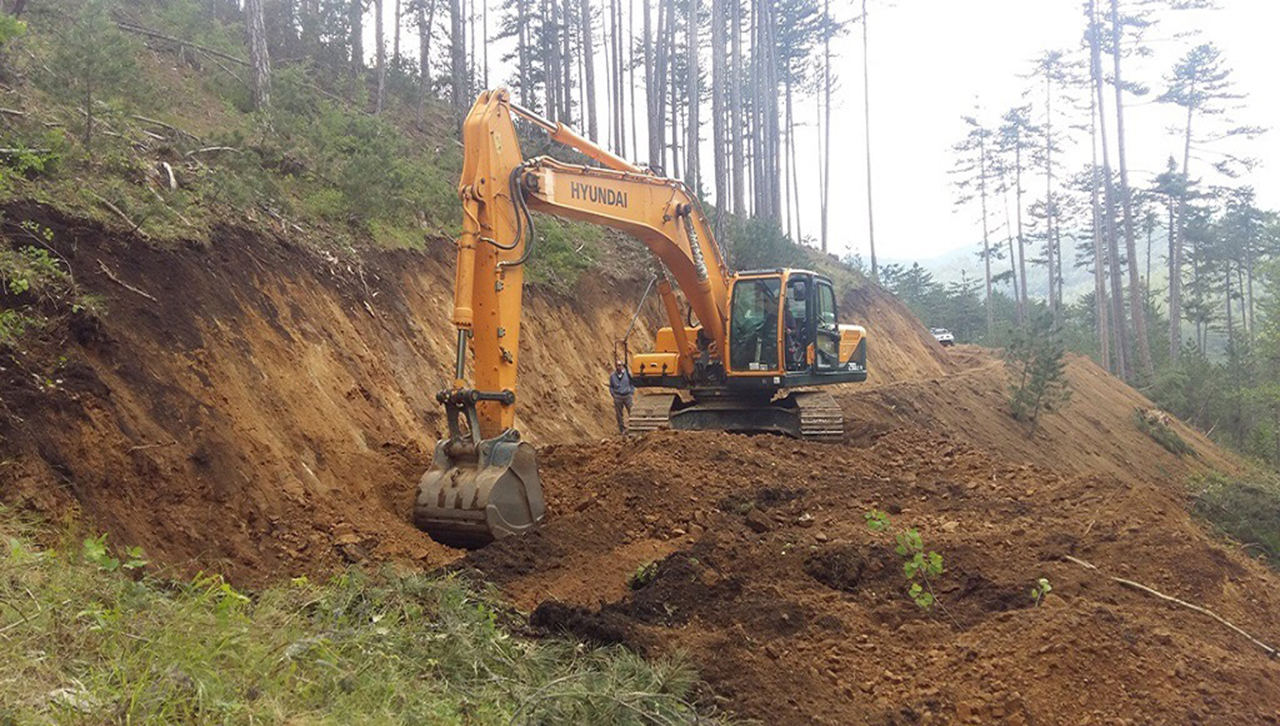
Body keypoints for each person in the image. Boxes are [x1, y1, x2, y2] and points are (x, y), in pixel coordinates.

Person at [608, 360, 634, 434]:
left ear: (622, 366)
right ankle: (622, 429)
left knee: (631, 411)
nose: (619, 367)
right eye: (617, 365)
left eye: (620, 365)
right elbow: (611, 386)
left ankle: (633, 427)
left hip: (627, 396)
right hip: (618, 396)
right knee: (619, 414)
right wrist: (614, 395)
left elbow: (632, 383)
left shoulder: (628, 374)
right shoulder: (612, 376)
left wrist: (631, 392)